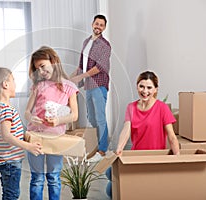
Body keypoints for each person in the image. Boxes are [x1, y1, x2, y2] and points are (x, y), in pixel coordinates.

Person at [106, 71, 180, 199]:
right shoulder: (131, 107)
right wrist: (119, 148)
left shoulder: (162, 108)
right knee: (109, 174)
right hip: (136, 155)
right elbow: (126, 129)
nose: (145, 91)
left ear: (156, 89)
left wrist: (178, 159)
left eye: (149, 87)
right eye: (142, 86)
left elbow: (172, 136)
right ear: (137, 86)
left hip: (154, 157)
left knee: (110, 190)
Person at [25, 46, 79, 200]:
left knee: (54, 178)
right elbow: (27, 111)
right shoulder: (38, 85)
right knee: (37, 178)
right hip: (36, 137)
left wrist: (58, 121)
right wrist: (30, 118)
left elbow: (74, 115)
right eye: (37, 69)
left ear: (53, 61)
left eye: (42, 66)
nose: (41, 71)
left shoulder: (69, 87)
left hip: (56, 137)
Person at [0, 67, 43, 200]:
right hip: (10, 161)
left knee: (8, 192)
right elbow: (6, 136)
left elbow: (10, 133)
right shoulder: (6, 109)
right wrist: (29, 147)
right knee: (12, 195)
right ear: (5, 84)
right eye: (13, 80)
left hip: (4, 160)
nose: (15, 84)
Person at [70, 14, 111, 162]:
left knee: (100, 118)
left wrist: (81, 77)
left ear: (104, 27)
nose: (98, 27)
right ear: (92, 24)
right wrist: (70, 78)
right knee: (91, 118)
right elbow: (81, 65)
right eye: (97, 24)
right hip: (88, 85)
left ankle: (103, 150)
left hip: (99, 85)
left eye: (101, 25)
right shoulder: (86, 42)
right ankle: (98, 145)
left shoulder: (105, 45)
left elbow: (100, 67)